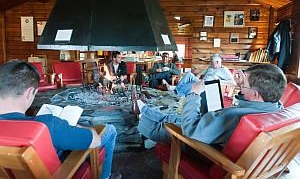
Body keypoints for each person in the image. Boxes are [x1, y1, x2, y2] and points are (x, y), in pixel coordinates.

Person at [0, 60, 121, 179]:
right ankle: (106, 176)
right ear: (29, 93)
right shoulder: (47, 125)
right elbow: (95, 140)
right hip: (64, 171)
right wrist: (75, 126)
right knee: (109, 130)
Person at [137, 64, 286, 146]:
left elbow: (191, 131)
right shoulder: (276, 107)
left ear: (255, 94)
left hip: (205, 148)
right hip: (215, 134)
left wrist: (193, 94)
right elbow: (252, 97)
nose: (241, 86)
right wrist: (244, 83)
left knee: (164, 127)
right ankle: (144, 109)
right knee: (174, 117)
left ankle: (140, 118)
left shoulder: (235, 117)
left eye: (244, 85)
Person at [162, 54, 234, 97]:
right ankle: (174, 89)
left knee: (190, 85)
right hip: (201, 82)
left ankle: (175, 91)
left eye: (212, 62)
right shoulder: (210, 67)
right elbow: (202, 72)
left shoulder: (224, 70)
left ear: (218, 62)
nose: (210, 64)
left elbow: (232, 82)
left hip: (207, 86)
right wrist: (198, 76)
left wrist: (218, 81)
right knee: (189, 74)